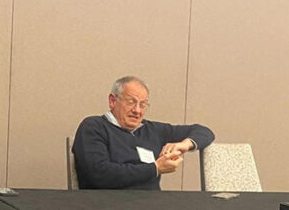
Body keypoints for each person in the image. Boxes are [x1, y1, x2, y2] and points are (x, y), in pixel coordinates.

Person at [72, 76, 214, 190]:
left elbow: (204, 132)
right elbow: (99, 174)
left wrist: (185, 144)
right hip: (106, 208)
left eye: (143, 104)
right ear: (112, 101)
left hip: (152, 208)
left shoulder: (153, 130)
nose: (137, 110)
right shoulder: (93, 127)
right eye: (131, 102)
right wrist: (155, 168)